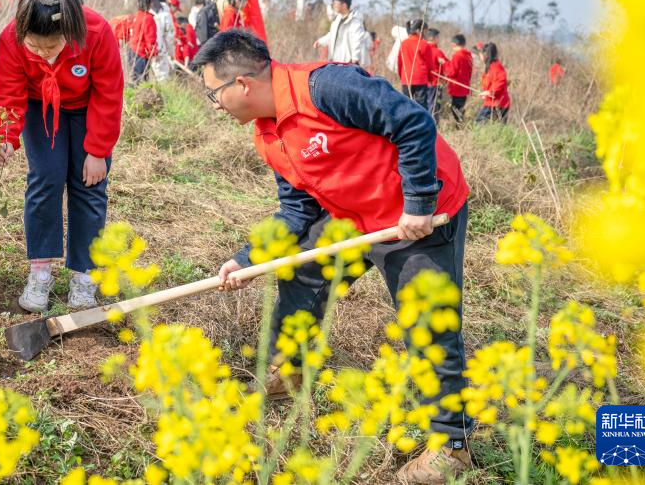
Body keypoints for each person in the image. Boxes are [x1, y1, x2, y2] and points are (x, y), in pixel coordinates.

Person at [196, 30, 474, 483]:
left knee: (429, 321)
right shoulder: (268, 135)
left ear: (242, 84)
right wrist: (249, 257)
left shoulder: (326, 88)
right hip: (353, 215)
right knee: (302, 273)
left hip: (416, 216)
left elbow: (413, 123)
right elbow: (296, 210)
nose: (215, 105)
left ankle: (451, 446)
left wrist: (420, 203)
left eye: (214, 94)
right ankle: (292, 372)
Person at [0, 0, 124, 312]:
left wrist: (97, 151)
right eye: (35, 46)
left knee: (90, 184)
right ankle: (40, 272)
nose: (45, 54)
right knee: (45, 178)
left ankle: (84, 275)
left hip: (86, 109)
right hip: (40, 108)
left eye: (52, 47)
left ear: (70, 31)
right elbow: (8, 92)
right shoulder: (12, 37)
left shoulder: (96, 32)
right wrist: (5, 135)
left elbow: (109, 95)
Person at [313, 0, 372, 66]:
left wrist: (355, 58)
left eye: (335, 4)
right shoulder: (337, 19)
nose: (333, 6)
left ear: (344, 5)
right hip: (335, 59)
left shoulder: (355, 22)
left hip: (348, 61)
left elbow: (357, 40)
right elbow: (332, 35)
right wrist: (320, 41)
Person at [397, 19, 434, 111]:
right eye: (425, 31)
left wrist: (401, 77)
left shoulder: (404, 43)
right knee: (421, 106)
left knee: (406, 104)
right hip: (420, 79)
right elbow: (430, 64)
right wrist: (430, 79)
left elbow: (399, 62)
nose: (426, 34)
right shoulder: (424, 44)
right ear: (418, 31)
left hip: (406, 78)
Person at [441, 34, 473, 126]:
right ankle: (460, 125)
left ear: (454, 45)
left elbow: (451, 72)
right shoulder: (468, 56)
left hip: (457, 88)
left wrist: (444, 64)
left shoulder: (457, 56)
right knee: (460, 108)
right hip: (465, 86)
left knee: (455, 108)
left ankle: (460, 126)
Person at [477, 43, 510, 122]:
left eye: (481, 54)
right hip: (491, 102)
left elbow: (501, 82)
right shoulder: (490, 67)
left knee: (479, 122)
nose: (480, 56)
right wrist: (486, 94)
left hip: (498, 104)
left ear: (486, 55)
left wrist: (489, 92)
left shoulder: (496, 67)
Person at [130, 0, 157, 83]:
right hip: (142, 53)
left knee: (135, 79)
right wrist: (153, 53)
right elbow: (150, 39)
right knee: (141, 81)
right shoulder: (148, 18)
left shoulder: (137, 16)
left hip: (133, 51)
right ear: (150, 4)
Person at [424, 28, 448, 119]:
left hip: (423, 83)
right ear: (432, 38)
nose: (439, 39)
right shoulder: (437, 51)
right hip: (436, 83)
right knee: (434, 107)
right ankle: (434, 126)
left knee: (426, 105)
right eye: (438, 37)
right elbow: (447, 65)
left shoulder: (422, 49)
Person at [151, 0, 175, 81]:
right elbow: (169, 37)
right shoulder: (166, 15)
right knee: (162, 78)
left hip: (144, 52)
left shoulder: (147, 10)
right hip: (159, 50)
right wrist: (172, 54)